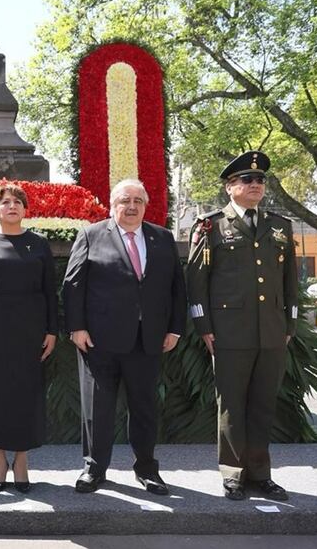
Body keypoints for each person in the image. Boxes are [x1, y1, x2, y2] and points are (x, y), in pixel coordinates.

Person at [185, 151, 298, 501]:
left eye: (260, 180)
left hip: (272, 330)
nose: (256, 185)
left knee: (263, 404)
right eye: (247, 180)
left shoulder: (280, 225)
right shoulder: (211, 225)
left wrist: (290, 323)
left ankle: (261, 474)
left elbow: (290, 280)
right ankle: (233, 472)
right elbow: (197, 282)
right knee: (232, 405)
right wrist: (203, 325)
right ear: (229, 187)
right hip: (229, 331)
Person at [63, 179, 186, 495]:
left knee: (144, 408)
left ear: (145, 205)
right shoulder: (91, 235)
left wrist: (174, 328)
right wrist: (77, 328)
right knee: (98, 409)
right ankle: (94, 469)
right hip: (99, 341)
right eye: (124, 201)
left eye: (137, 201)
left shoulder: (162, 238)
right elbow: (73, 285)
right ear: (112, 205)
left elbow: (177, 287)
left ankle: (147, 469)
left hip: (148, 339)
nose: (131, 207)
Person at [0, 183, 57, 493]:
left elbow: (50, 292)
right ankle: (0, 459)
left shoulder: (39, 244)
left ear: (25, 209)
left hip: (31, 334)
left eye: (17, 201)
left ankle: (22, 460)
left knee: (27, 396)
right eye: (5, 202)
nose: (12, 206)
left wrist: (52, 331)